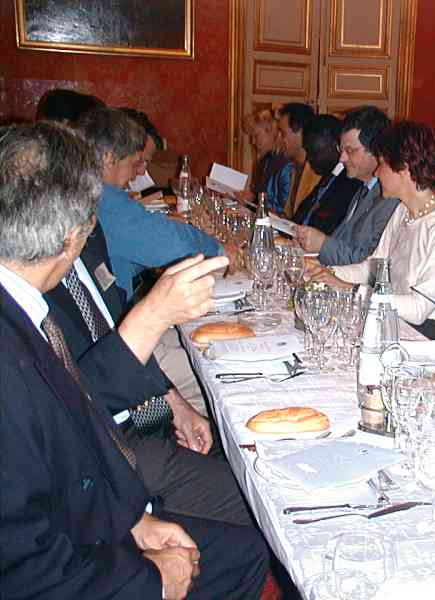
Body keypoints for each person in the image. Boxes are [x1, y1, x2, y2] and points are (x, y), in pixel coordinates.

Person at [0, 121, 270, 599]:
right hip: (71, 558)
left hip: (93, 504)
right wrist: (151, 579)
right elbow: (25, 569)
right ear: (72, 237)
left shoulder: (23, 303)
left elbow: (70, 414)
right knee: (256, 514)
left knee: (243, 549)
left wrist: (132, 520)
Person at [45, 221, 255, 526]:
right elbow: (63, 411)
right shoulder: (27, 278)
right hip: (110, 446)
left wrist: (174, 401)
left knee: (250, 448)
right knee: (260, 500)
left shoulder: (88, 236)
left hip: (150, 413)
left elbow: (118, 330)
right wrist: (154, 314)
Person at [307, 121, 435, 340]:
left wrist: (349, 288)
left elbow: (419, 309)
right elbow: (372, 268)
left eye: (382, 164)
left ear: (404, 169)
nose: (376, 173)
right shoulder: (403, 210)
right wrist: (327, 273)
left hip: (426, 336)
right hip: (388, 319)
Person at [74, 107, 237, 301]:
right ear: (109, 158)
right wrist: (219, 250)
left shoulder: (78, 189)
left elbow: (120, 259)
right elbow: (171, 243)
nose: (140, 172)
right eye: (135, 163)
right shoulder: (103, 197)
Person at [295, 106, 400, 266]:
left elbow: (371, 266)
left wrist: (322, 244)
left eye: (350, 150)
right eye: (341, 149)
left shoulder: (390, 200)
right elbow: (341, 242)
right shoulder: (363, 189)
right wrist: (305, 248)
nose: (342, 158)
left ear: (375, 151)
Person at [291, 114, 361, 235]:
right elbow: (301, 216)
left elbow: (331, 228)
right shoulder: (329, 176)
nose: (309, 159)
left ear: (336, 145)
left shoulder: (351, 181)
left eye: (314, 153)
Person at [237, 108, 292, 213]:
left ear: (272, 133)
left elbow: (285, 211)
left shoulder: (286, 165)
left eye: (256, 136)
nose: (253, 142)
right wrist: (249, 199)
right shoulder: (262, 162)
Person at [276, 102, 318, 218]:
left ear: (301, 132)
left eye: (283, 133)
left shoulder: (317, 173)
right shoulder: (295, 167)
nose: (279, 139)